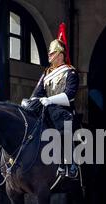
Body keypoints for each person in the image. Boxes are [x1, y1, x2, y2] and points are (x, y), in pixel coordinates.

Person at [22, 39, 79, 178]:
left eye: (52, 53)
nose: (49, 56)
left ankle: (69, 163)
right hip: (46, 108)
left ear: (60, 55)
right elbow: (37, 94)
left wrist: (49, 100)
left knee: (62, 122)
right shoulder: (46, 73)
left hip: (63, 109)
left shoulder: (70, 72)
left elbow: (70, 95)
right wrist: (33, 102)